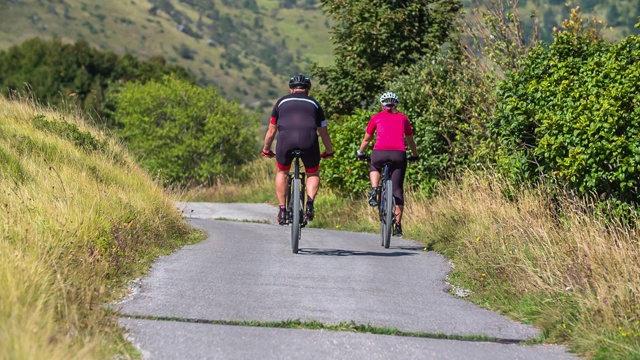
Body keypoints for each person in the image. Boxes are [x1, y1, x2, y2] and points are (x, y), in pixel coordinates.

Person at [261, 74, 334, 225]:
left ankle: (282, 210)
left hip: (285, 140)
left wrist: (266, 149)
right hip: (309, 140)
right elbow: (323, 132)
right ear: (307, 90)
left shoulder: (281, 102)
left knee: (282, 172)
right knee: (312, 172)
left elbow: (271, 131)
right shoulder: (315, 104)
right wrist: (329, 151)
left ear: (291, 89)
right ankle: (310, 204)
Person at [356, 91, 418, 237]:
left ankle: (374, 188)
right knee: (397, 189)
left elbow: (367, 139)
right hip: (399, 154)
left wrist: (360, 152)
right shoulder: (403, 118)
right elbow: (410, 140)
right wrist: (415, 155)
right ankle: (397, 225)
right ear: (396, 104)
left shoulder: (376, 117)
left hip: (380, 153)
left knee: (374, 164)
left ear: (382, 104)